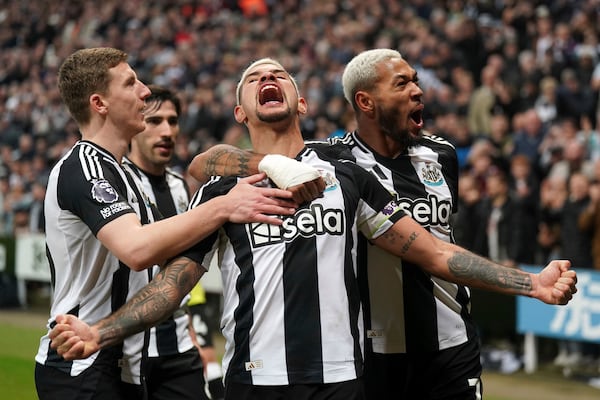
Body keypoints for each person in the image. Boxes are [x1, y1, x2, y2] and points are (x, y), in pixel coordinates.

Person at [48, 57, 577, 400]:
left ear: (301, 103)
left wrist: (530, 283)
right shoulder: (221, 192)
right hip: (254, 381)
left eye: (279, 75)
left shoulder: (346, 176)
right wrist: (101, 331)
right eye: (254, 78)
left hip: (342, 381)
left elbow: (431, 252)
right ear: (240, 110)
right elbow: (170, 287)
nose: (267, 79)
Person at [34, 48, 300, 400]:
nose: (145, 91)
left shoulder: (119, 172)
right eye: (131, 83)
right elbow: (137, 249)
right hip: (82, 362)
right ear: (100, 104)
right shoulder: (87, 167)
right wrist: (223, 206)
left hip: (121, 359)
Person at [120, 84, 221, 399]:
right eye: (154, 121)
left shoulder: (180, 187)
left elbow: (189, 267)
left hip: (177, 346)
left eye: (173, 121)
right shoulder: (115, 181)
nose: (166, 131)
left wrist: (200, 336)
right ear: (136, 124)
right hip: (125, 347)